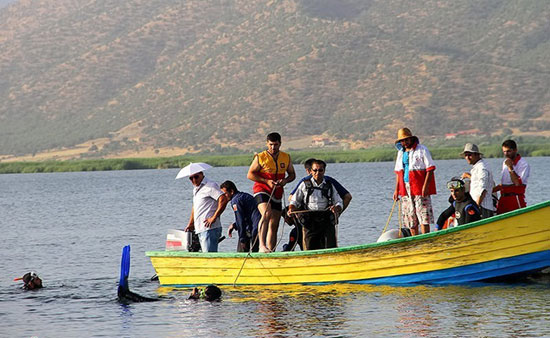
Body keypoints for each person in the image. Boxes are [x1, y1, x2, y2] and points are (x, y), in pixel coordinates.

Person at [283, 158, 352, 251]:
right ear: (311, 171)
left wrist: (337, 208)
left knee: (330, 248)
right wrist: (292, 208)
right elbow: (293, 200)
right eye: (315, 170)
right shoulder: (304, 184)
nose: (317, 173)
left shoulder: (330, 184)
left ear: (324, 171)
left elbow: (339, 201)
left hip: (326, 220)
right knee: (309, 247)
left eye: (320, 170)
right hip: (309, 221)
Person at [247, 132, 296, 253]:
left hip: (277, 192)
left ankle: (271, 250)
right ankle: (261, 246)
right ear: (267, 144)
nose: (273, 148)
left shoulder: (286, 157)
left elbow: (292, 175)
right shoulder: (260, 157)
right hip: (262, 189)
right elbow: (250, 174)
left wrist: (285, 180)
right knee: (266, 213)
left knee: (274, 224)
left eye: (276, 145)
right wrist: (266, 181)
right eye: (271, 145)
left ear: (280, 144)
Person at [393, 128, 437, 235]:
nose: (405, 142)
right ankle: (414, 238)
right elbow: (399, 172)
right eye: (402, 141)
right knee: (410, 215)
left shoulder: (422, 150)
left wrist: (425, 186)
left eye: (407, 140)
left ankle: (425, 237)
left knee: (423, 213)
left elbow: (430, 168)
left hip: (419, 186)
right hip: (406, 187)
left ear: (411, 139)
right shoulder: (401, 153)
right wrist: (396, 190)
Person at [184, 171, 228, 252]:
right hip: (200, 229)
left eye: (196, 177)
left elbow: (223, 199)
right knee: (206, 256)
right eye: (191, 178)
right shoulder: (196, 190)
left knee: (210, 257)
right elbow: (195, 207)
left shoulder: (210, 185)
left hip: (209, 229)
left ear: (201, 174)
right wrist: (191, 224)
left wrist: (214, 218)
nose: (194, 180)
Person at [220, 180, 261, 252]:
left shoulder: (235, 201)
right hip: (260, 227)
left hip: (254, 228)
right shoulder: (244, 196)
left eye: (225, 193)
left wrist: (242, 240)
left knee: (241, 254)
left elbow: (240, 220)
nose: (224, 196)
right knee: (256, 252)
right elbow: (247, 215)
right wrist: (235, 225)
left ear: (231, 191)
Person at [494, 140, 530, 214]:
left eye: (508, 151)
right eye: (504, 152)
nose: (506, 154)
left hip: (515, 198)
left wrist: (510, 167)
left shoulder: (523, 164)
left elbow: (517, 183)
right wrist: (490, 190)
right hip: (503, 198)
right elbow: (504, 183)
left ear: (515, 150)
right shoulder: (505, 162)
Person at [461, 143, 496, 218]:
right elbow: (478, 181)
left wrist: (476, 206)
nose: (467, 157)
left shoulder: (482, 168)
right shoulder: (478, 167)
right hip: (479, 206)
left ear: (477, 155)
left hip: (483, 207)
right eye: (466, 155)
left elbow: (483, 189)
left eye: (469, 155)